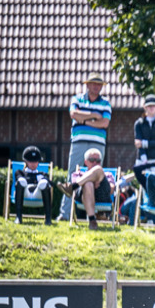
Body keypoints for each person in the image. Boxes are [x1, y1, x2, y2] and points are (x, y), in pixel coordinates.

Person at [59, 73, 111, 221]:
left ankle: (92, 215)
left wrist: (84, 121)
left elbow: (105, 123)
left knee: (95, 178)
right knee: (72, 174)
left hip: (98, 144)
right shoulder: (77, 98)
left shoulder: (106, 103)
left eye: (99, 84)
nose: (96, 87)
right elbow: (73, 114)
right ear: (87, 85)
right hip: (78, 142)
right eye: (93, 84)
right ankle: (65, 214)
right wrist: (94, 114)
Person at [57, 148, 114, 230]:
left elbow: (111, 190)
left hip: (102, 195)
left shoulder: (107, 174)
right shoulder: (78, 174)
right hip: (84, 195)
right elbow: (77, 192)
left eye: (98, 161)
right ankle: (92, 221)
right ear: (85, 162)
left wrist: (98, 179)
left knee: (98, 169)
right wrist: (91, 181)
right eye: (91, 160)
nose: (95, 163)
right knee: (88, 183)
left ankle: (72, 186)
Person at [13, 146, 55, 225]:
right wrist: (34, 177)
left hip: (37, 195)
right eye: (30, 161)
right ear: (25, 161)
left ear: (38, 162)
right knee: (21, 181)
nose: (33, 164)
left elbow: (52, 184)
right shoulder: (20, 172)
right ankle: (18, 217)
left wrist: (43, 179)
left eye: (35, 161)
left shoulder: (42, 174)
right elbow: (19, 179)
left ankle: (48, 219)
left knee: (43, 183)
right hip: (25, 194)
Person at [133, 94, 155, 164]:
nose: (151, 108)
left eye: (153, 106)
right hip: (142, 159)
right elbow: (138, 143)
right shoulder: (139, 123)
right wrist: (143, 157)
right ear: (145, 107)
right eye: (149, 106)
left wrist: (144, 143)